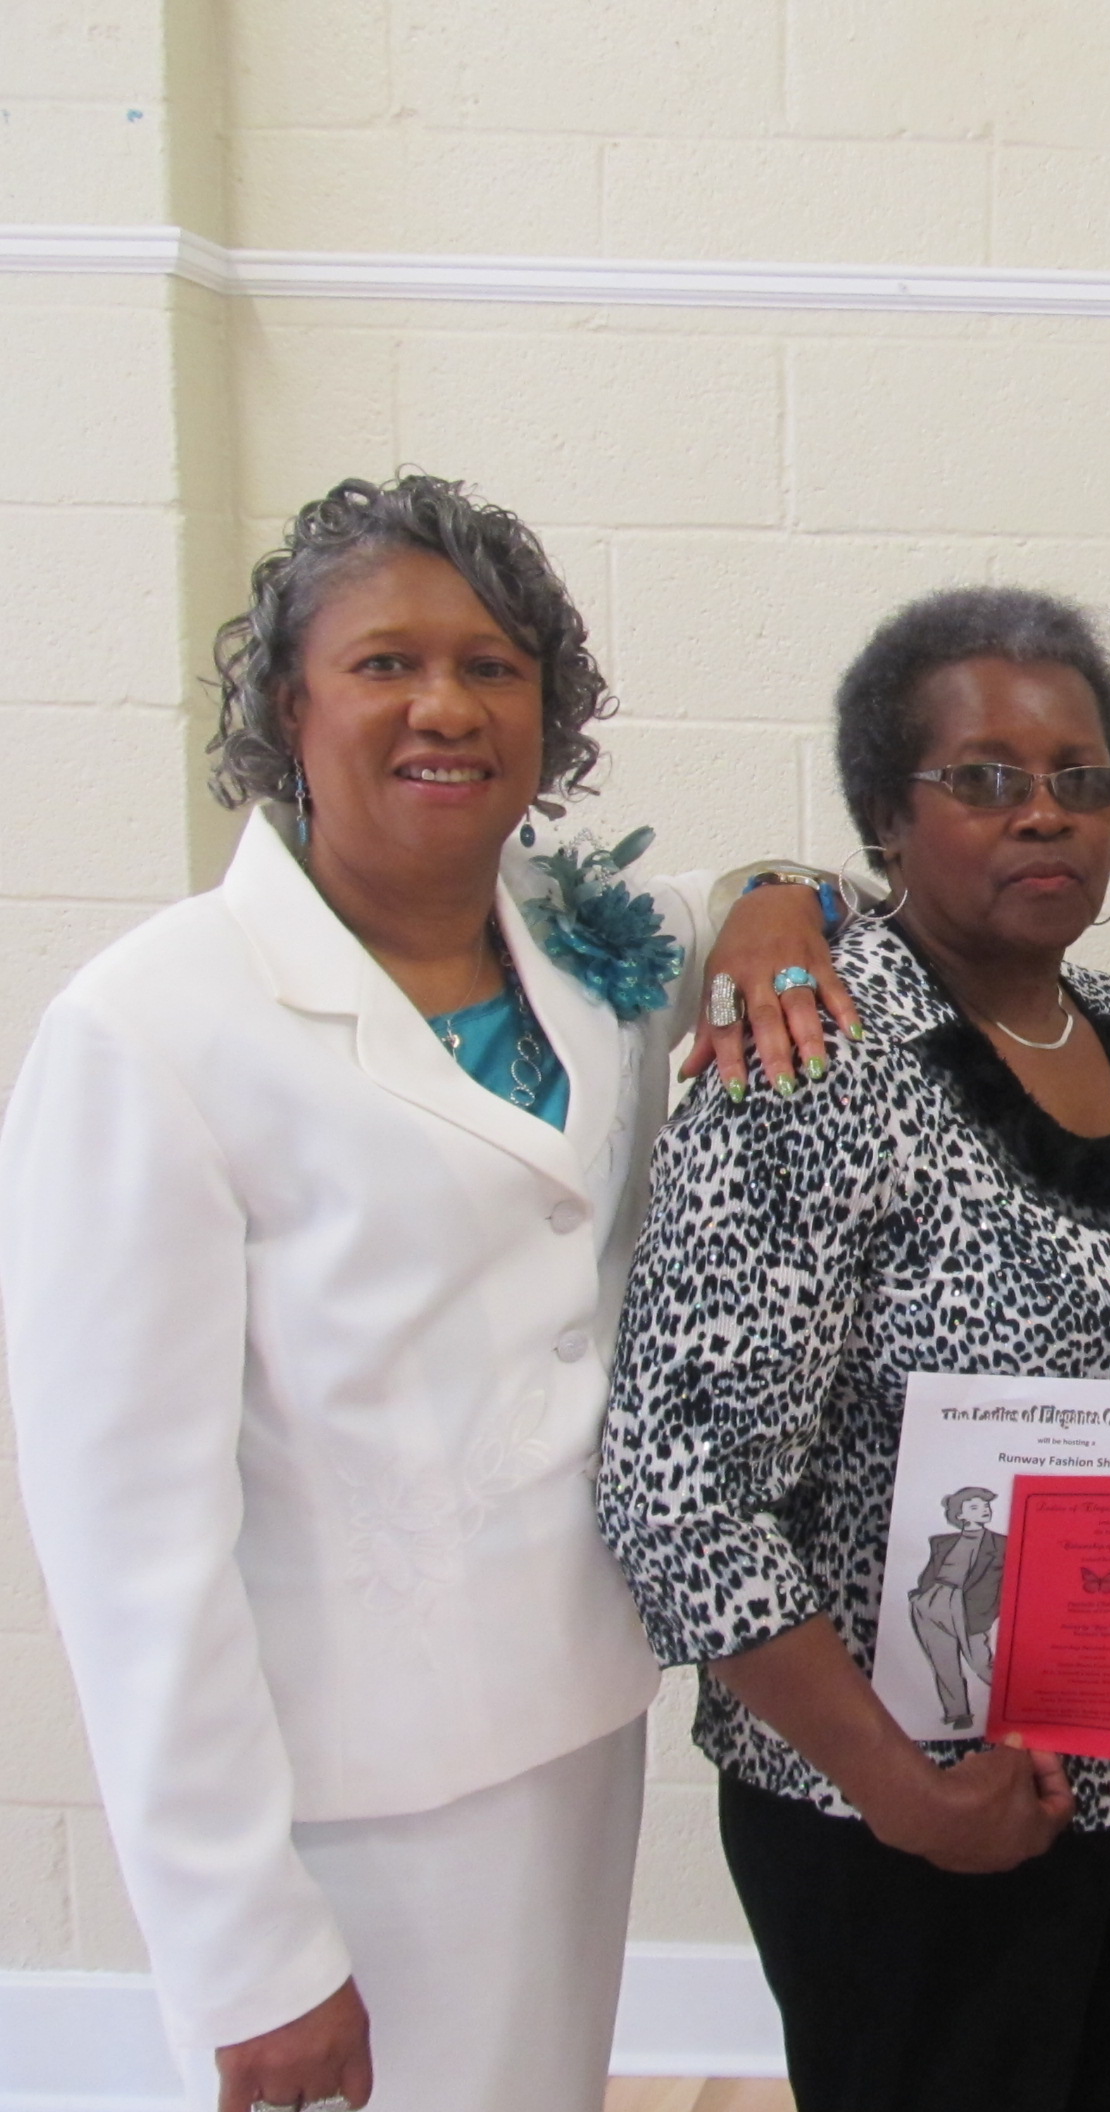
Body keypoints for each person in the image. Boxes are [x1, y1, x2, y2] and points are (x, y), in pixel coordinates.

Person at [0, 473, 847, 2112]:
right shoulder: (153, 1029)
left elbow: (769, 904)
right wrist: (247, 1947)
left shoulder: (582, 941)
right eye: (386, 662)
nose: (446, 704)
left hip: (570, 1711)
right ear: (286, 704)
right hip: (347, 1792)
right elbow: (128, 1546)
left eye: (493, 664)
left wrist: (781, 890)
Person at [596, 586, 1110, 2112]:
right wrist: (903, 1794)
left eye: (1081, 779)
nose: (1041, 817)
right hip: (895, 1801)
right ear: (883, 808)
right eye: (985, 779)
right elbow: (678, 1490)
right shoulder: (807, 1057)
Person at [911, 1489, 1007, 1732]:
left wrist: (994, 1609)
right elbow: (931, 1570)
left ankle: (1018, 1700)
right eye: (975, 1507)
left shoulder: (1002, 1543)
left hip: (971, 1607)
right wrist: (919, 1595)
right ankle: (958, 1714)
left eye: (985, 1505)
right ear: (960, 1515)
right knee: (943, 1661)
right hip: (933, 1601)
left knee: (980, 1662)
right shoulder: (941, 1542)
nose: (985, 1509)